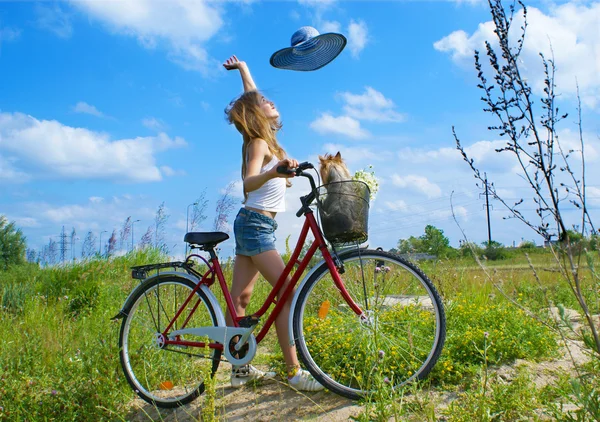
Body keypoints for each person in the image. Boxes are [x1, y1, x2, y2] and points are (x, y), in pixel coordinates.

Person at [222, 55, 324, 392]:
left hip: (255, 224)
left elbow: (251, 97)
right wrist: (274, 171)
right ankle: (294, 372)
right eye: (265, 102)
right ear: (256, 114)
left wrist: (244, 69)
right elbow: (249, 183)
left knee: (241, 298)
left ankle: (238, 368)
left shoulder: (267, 140)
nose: (271, 101)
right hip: (254, 224)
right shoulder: (259, 144)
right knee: (286, 293)